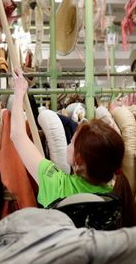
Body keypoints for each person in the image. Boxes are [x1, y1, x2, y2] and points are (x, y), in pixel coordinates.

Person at [10, 71, 125, 208]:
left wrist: (19, 92)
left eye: (71, 143)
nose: (68, 144)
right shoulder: (117, 196)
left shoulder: (56, 184)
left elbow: (17, 135)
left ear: (78, 161)